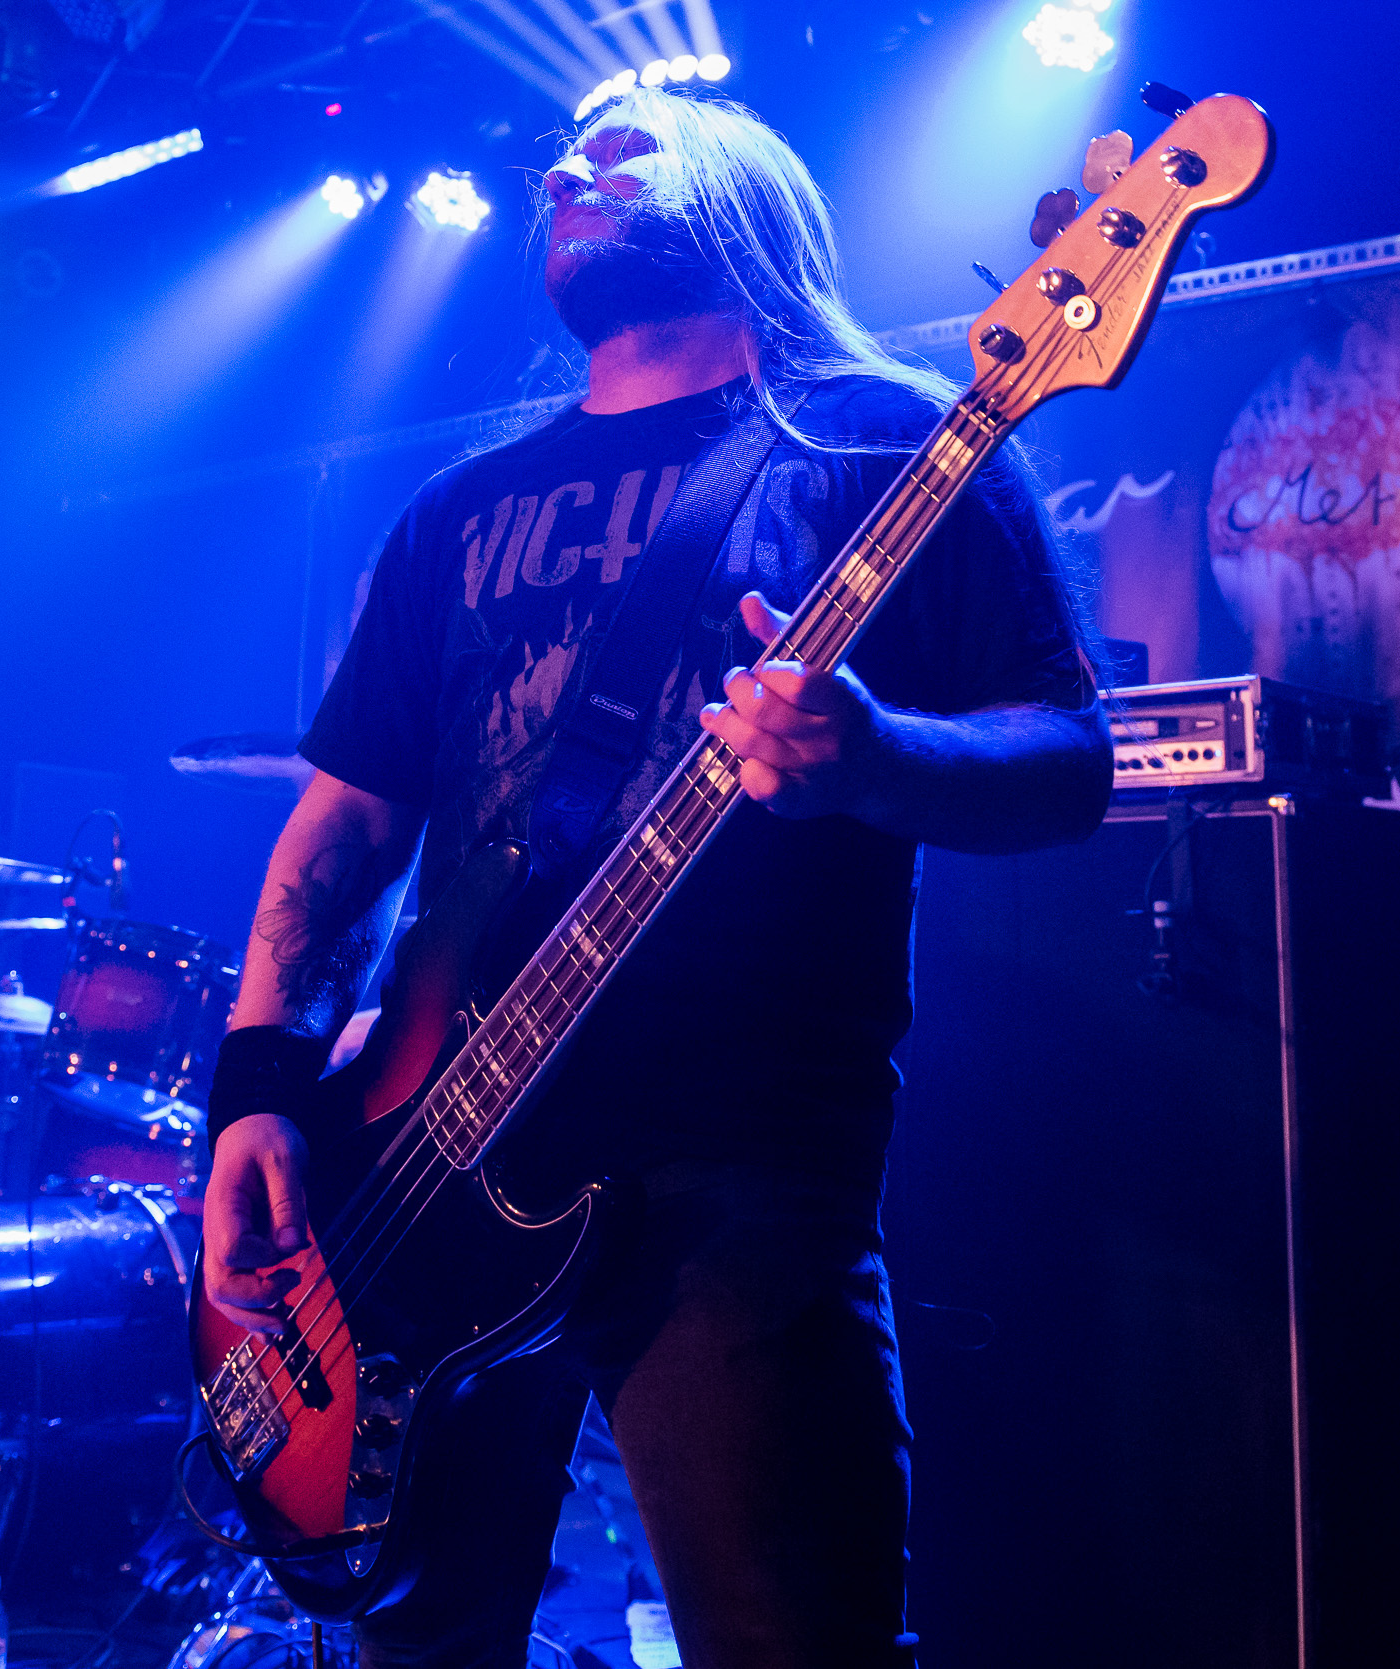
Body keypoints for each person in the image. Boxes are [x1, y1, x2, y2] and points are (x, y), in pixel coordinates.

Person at [200, 86, 1111, 1669]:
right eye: (565, 153)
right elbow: (346, 826)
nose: (571, 165)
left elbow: (1069, 756)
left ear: (749, 185)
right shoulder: (457, 510)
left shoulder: (889, 442)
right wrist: (257, 1087)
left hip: (732, 1172)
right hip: (417, 1157)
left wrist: (876, 754)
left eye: (624, 144)